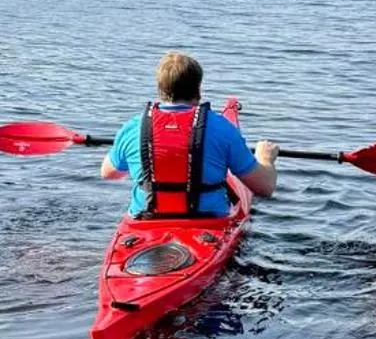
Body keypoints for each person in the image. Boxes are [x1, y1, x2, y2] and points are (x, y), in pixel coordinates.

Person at [101, 51, 278, 218]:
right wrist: (265, 159)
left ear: (160, 88)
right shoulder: (222, 128)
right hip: (208, 222)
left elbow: (109, 173)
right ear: (198, 88)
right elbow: (265, 188)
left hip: (145, 220)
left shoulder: (133, 127)